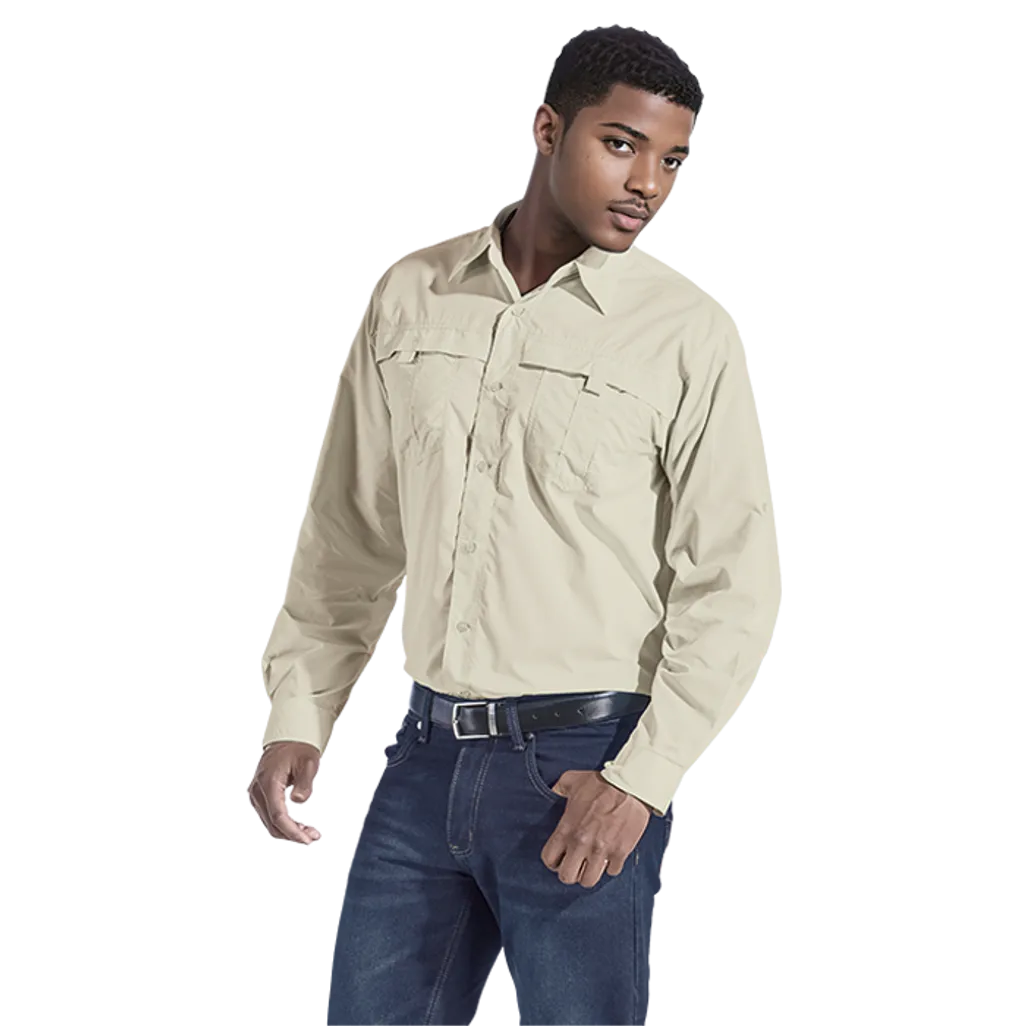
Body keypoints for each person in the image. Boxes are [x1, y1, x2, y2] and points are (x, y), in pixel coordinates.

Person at [249, 24, 782, 1026]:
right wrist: (300, 715)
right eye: (621, 144)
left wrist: (639, 784)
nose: (649, 184)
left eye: (672, 161)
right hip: (422, 755)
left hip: (585, 764)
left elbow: (733, 586)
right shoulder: (413, 294)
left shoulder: (687, 333)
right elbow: (350, 535)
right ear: (547, 129)